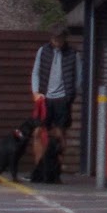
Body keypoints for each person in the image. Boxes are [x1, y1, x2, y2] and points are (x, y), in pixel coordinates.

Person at [30, 26, 79, 154]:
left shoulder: (73, 53)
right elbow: (35, 73)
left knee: (60, 134)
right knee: (38, 132)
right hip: (44, 98)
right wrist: (36, 92)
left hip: (62, 99)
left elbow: (79, 78)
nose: (56, 41)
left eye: (59, 38)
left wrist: (70, 95)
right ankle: (39, 170)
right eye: (54, 38)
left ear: (64, 38)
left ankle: (56, 169)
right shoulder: (43, 51)